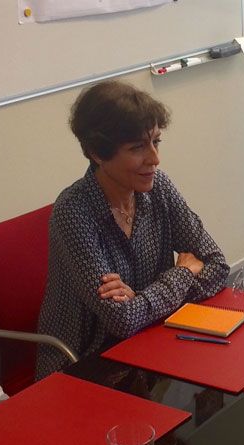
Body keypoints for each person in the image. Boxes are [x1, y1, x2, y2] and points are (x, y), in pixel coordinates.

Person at [36, 80, 229, 377]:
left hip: (151, 343)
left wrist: (141, 301)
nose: (155, 158)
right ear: (98, 153)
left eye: (156, 141)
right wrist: (182, 273)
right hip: (86, 364)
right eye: (138, 147)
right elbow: (122, 321)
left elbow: (217, 264)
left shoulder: (158, 188)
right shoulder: (74, 212)